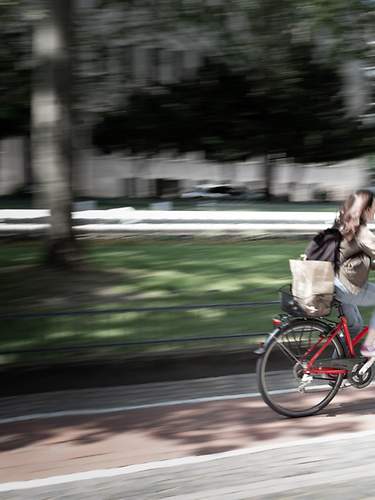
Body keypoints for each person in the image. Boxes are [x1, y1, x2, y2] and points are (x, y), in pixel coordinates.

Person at [334, 189, 375, 357]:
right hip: (347, 287)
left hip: (334, 283)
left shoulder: (343, 224)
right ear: (365, 209)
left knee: (355, 326)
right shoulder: (360, 230)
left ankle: (337, 369)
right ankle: (370, 345)